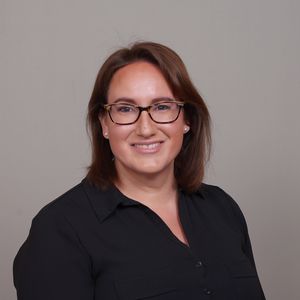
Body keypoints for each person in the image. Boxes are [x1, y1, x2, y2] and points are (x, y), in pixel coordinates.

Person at [13, 41, 265, 300]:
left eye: (162, 106)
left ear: (187, 119)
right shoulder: (59, 228)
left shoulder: (222, 208)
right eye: (125, 109)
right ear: (104, 124)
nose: (145, 128)